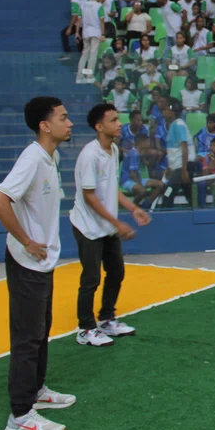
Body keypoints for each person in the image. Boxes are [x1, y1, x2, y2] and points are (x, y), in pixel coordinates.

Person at [0, 97, 77, 430]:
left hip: (42, 263)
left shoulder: (50, 157)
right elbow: (0, 202)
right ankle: (20, 416)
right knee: (27, 338)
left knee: (41, 330)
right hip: (28, 263)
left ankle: (37, 391)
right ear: (45, 125)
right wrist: (27, 240)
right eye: (63, 118)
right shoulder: (32, 158)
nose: (69, 123)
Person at [70, 104, 150, 348]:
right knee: (91, 279)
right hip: (88, 227)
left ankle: (106, 319)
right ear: (99, 126)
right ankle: (85, 329)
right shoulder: (89, 155)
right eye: (113, 120)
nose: (119, 124)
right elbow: (90, 196)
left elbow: (111, 189)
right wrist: (118, 223)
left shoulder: (113, 150)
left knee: (116, 272)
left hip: (106, 226)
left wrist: (132, 208)